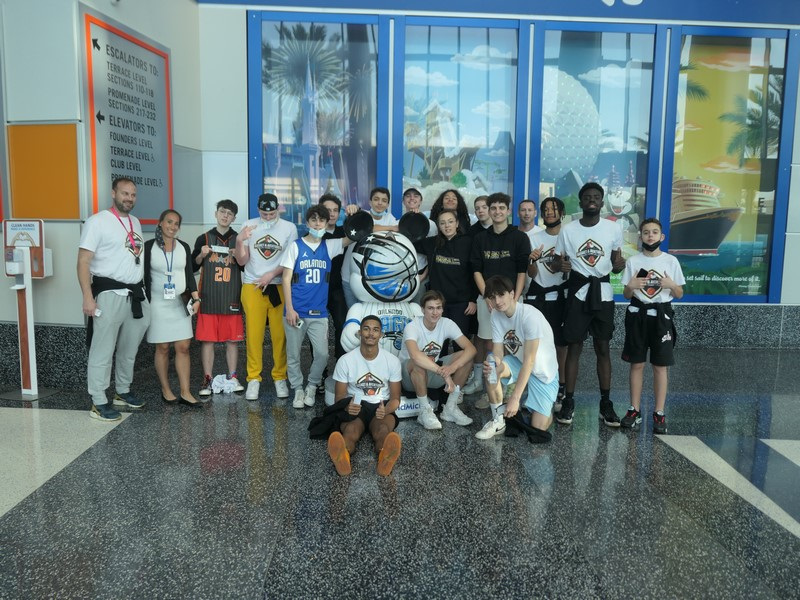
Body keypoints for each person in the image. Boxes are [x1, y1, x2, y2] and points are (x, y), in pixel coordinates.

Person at [553, 182, 626, 427]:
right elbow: (556, 262)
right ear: (581, 202)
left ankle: (605, 403)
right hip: (578, 292)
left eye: (596, 197)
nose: (592, 200)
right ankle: (569, 401)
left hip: (603, 293)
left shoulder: (613, 228)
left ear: (602, 202)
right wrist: (560, 265)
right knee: (574, 347)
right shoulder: (568, 230)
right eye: (587, 197)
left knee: (602, 347)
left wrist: (619, 266)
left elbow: (616, 262)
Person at [78, 177, 151, 421]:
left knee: (129, 349)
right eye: (124, 193)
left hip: (135, 295)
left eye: (133, 194)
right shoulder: (97, 222)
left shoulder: (135, 222)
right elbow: (83, 262)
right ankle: (98, 400)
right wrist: (88, 297)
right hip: (109, 294)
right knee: (103, 349)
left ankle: (122, 390)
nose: (129, 198)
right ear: (113, 193)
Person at [281, 204, 352, 409]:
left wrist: (353, 216)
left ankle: (312, 385)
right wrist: (290, 309)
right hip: (296, 311)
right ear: (307, 223)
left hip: (319, 312)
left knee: (322, 354)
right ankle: (298, 389)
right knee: (293, 355)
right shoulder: (295, 246)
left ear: (327, 223)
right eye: (314, 220)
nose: (318, 224)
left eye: (321, 220)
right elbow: (285, 279)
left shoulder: (329, 246)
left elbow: (353, 236)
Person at [620, 218, 685, 434]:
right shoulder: (633, 261)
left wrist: (671, 285)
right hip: (637, 316)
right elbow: (626, 294)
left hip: (661, 317)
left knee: (660, 366)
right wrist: (631, 286)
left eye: (654, 232)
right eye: (646, 232)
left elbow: (679, 294)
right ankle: (634, 410)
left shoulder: (670, 262)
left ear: (661, 236)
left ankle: (659, 412)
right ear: (640, 236)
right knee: (636, 364)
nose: (650, 236)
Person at [477, 275, 558, 441]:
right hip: (519, 363)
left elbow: (530, 361)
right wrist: (495, 363)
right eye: (492, 297)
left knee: (537, 429)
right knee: (491, 368)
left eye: (501, 295)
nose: (497, 301)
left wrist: (515, 398)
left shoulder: (530, 316)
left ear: (512, 294)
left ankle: (542, 406)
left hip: (542, 372)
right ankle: (498, 420)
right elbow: (498, 350)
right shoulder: (496, 315)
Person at [468, 192, 531, 403]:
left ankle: (511, 388)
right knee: (489, 344)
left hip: (513, 300)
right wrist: (487, 296)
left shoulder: (519, 237)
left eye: (501, 208)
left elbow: (522, 271)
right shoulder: (480, 238)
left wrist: (515, 298)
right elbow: (476, 270)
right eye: (493, 208)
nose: (497, 212)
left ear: (508, 211)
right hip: (487, 299)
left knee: (513, 344)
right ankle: (492, 390)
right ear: (488, 210)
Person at [235, 193, 298, 401]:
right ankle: (253, 378)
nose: (268, 217)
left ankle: (280, 377)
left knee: (280, 336)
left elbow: (290, 259)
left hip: (278, 286)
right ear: (258, 210)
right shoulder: (249, 225)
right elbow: (242, 261)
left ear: (278, 209)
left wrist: (271, 274)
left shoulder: (289, 228)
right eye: (264, 214)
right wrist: (239, 240)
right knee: (254, 336)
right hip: (252, 286)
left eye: (272, 214)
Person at [327, 315, 403, 477]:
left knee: (382, 431)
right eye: (366, 329)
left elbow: (396, 398)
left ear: (381, 334)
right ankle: (342, 456)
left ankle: (385, 457)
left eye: (375, 330)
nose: (371, 333)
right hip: (355, 405)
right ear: (360, 332)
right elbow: (339, 397)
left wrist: (387, 409)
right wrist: (347, 407)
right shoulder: (345, 360)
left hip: (381, 405)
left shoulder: (392, 361)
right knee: (351, 431)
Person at [144, 209, 202, 406]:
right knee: (162, 347)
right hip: (157, 304)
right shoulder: (149, 247)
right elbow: (143, 276)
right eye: (169, 222)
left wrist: (196, 298)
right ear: (160, 223)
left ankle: (185, 392)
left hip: (180, 303)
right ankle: (166, 389)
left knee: (183, 347)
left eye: (176, 223)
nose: (173, 226)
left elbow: (189, 275)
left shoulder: (183, 246)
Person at [399, 290, 476, 429]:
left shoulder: (447, 323)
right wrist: (444, 374)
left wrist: (452, 368)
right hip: (409, 377)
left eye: (438, 308)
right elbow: (415, 356)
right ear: (422, 309)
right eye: (430, 308)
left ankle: (450, 408)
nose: (435, 312)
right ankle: (424, 411)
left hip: (433, 372)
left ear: (442, 309)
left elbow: (471, 349)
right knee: (419, 362)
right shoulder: (412, 326)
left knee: (466, 358)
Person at [192, 199, 244, 397]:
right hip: (209, 297)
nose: (225, 216)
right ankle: (207, 378)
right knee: (207, 341)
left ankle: (233, 376)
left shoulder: (239, 239)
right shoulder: (204, 238)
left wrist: (239, 255)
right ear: (216, 213)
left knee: (232, 341)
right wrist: (201, 255)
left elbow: (246, 267)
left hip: (231, 296)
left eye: (229, 214)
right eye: (222, 211)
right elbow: (193, 266)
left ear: (234, 218)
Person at [524, 197, 568, 407]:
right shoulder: (533, 238)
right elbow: (532, 273)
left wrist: (567, 268)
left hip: (561, 298)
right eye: (546, 209)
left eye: (554, 208)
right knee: (536, 344)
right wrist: (532, 260)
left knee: (561, 344)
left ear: (562, 213)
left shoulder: (568, 235)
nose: (550, 212)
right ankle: (536, 384)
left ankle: (561, 385)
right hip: (538, 298)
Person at [415, 209, 478, 337]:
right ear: (438, 226)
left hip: (461, 304)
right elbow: (410, 241)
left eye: (450, 222)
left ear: (457, 223)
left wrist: (473, 300)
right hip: (438, 304)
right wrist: (415, 219)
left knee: (459, 341)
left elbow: (475, 272)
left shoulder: (468, 242)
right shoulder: (432, 243)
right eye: (442, 223)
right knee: (438, 342)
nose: (447, 226)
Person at [341, 187, 397, 306]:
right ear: (370, 202)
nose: (380, 203)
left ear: (388, 204)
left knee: (370, 315)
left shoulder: (390, 219)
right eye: (376, 199)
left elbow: (398, 230)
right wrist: (391, 228)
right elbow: (367, 227)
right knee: (353, 313)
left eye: (384, 200)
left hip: (374, 281)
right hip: (349, 275)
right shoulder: (360, 215)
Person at [319, 194, 348, 360]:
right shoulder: (312, 236)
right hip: (318, 289)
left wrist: (355, 213)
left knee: (342, 325)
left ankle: (340, 366)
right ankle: (319, 372)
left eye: (335, 210)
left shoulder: (344, 232)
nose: (331, 213)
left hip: (337, 288)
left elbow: (362, 228)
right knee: (319, 331)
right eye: (327, 210)